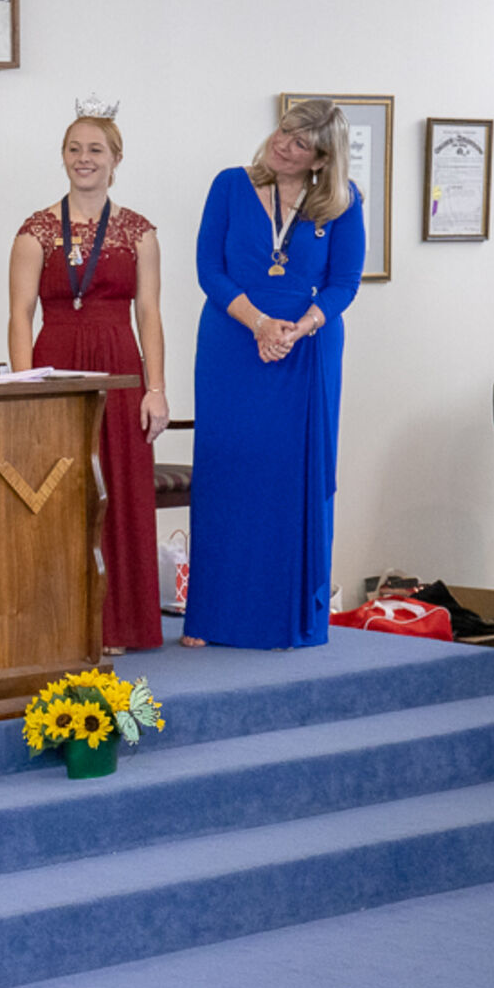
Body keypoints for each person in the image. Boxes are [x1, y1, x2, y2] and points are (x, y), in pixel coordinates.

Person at [182, 98, 365, 649]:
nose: (283, 145)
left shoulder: (343, 202)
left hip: (306, 349)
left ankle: (288, 617)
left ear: (322, 159)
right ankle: (212, 617)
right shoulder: (229, 185)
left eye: (300, 143)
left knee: (292, 479)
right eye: (284, 132)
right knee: (228, 470)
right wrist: (260, 324)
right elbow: (209, 269)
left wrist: (298, 328)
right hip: (233, 342)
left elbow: (344, 283)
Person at [9, 102, 168, 653]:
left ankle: (118, 624)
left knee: (119, 489)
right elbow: (19, 316)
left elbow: (149, 314)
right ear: (62, 156)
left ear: (115, 158)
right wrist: (25, 389)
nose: (84, 158)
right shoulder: (35, 231)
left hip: (120, 369)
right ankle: (63, 622)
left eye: (95, 149)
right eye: (74, 148)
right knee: (59, 492)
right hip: (55, 365)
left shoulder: (140, 232)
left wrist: (156, 389)